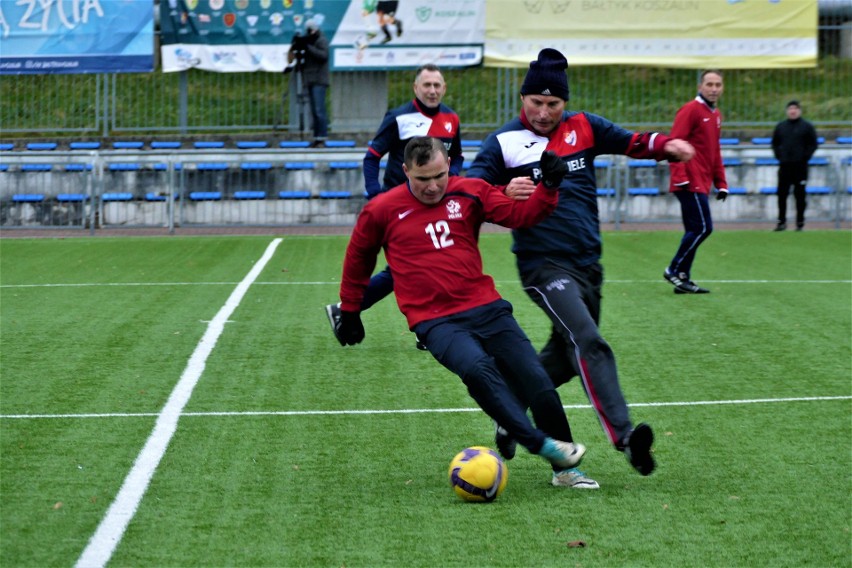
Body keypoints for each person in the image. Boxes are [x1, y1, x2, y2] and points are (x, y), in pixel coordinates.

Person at [466, 48, 695, 476]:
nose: (544, 111)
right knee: (588, 340)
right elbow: (473, 185)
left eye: (553, 104)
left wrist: (669, 146)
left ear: (564, 103)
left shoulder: (584, 127)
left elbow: (634, 142)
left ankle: (509, 414)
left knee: (563, 356)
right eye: (536, 102)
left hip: (589, 264)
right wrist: (501, 192)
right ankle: (626, 438)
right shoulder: (504, 143)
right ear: (523, 98)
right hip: (543, 267)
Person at [334, 136, 599, 489]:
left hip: (487, 308)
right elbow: (358, 259)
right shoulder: (381, 209)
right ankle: (542, 445)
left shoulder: (471, 191)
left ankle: (565, 471)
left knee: (536, 380)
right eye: (422, 179)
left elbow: (521, 215)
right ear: (405, 171)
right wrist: (350, 309)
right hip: (434, 321)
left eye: (439, 176)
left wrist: (548, 187)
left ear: (449, 166)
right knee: (478, 370)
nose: (432, 186)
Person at [325, 64, 463, 349]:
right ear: (416, 88)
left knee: (418, 264)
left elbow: (457, 157)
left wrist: (454, 180)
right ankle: (424, 328)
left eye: (437, 85)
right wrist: (376, 195)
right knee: (413, 264)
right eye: (427, 85)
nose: (433, 90)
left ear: (444, 88)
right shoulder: (399, 117)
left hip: (434, 202)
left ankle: (348, 309)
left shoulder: (451, 119)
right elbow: (372, 157)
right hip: (401, 205)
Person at [663, 69, 728, 294]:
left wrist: (721, 182)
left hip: (702, 180)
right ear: (700, 86)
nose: (713, 88)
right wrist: (680, 177)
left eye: (718, 84)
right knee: (703, 228)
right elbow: (674, 144)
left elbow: (714, 151)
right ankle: (673, 269)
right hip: (689, 181)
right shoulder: (691, 110)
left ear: (722, 88)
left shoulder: (716, 114)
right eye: (709, 84)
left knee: (694, 228)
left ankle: (683, 278)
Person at [771, 100, 818, 232]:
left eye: (795, 108)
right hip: (785, 166)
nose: (793, 111)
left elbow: (813, 144)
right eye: (790, 108)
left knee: (800, 195)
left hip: (800, 167)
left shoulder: (807, 126)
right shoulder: (781, 126)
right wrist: (780, 156)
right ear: (787, 111)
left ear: (799, 111)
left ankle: (800, 222)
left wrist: (804, 157)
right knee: (782, 195)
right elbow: (775, 143)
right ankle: (781, 222)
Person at [287, 15, 329, 148]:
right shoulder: (310, 41)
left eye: (311, 30)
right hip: (310, 79)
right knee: (313, 111)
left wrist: (308, 46)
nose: (310, 32)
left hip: (319, 80)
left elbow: (323, 56)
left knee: (319, 110)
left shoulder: (321, 40)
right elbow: (305, 59)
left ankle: (321, 137)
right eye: (308, 30)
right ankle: (317, 138)